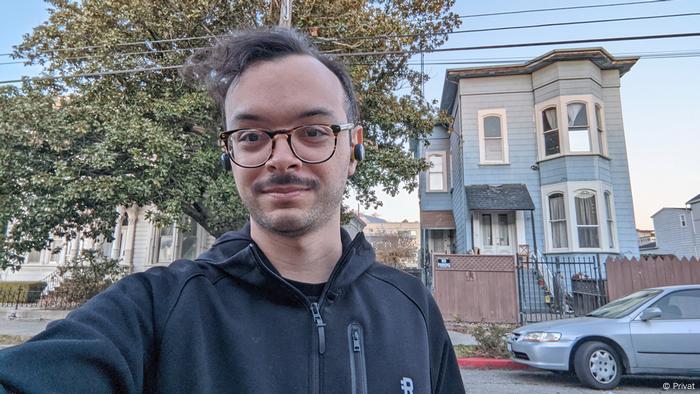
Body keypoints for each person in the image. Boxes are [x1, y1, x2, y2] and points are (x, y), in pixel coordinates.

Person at [0, 27, 463, 394]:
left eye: (314, 131)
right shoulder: (155, 308)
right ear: (229, 154)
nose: (282, 157)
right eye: (251, 135)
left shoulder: (413, 308)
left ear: (354, 146)